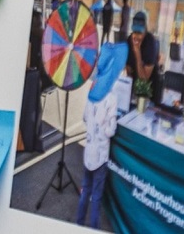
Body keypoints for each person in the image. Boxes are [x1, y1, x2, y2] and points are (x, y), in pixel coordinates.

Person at [76, 43, 126, 229]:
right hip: (101, 155)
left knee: (85, 192)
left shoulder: (92, 92)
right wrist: (105, 124)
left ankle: (78, 224)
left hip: (88, 151)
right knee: (96, 197)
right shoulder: (112, 98)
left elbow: (84, 118)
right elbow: (110, 131)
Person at [125, 12, 162, 105]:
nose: (136, 36)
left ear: (145, 31)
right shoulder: (129, 41)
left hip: (151, 91)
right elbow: (129, 73)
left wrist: (137, 53)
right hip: (136, 91)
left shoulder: (151, 43)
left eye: (139, 33)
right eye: (135, 32)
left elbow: (144, 80)